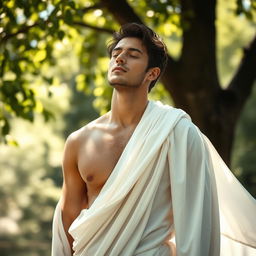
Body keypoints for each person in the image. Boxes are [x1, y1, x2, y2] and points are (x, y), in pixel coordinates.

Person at [52, 23, 256, 256]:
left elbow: (196, 219)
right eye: (116, 53)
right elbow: (69, 218)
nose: (120, 59)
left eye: (133, 54)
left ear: (152, 73)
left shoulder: (177, 133)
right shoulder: (79, 141)